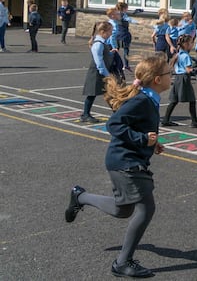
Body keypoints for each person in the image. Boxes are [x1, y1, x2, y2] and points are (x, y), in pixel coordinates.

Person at [64, 54, 171, 278]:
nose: (172, 76)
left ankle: (80, 197)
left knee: (122, 210)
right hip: (125, 162)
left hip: (128, 160)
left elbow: (138, 127)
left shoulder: (149, 98)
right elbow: (114, 124)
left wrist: (152, 143)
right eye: (169, 73)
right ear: (157, 80)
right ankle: (122, 262)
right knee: (146, 208)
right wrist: (143, 140)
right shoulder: (141, 100)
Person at [162, 34, 197, 128]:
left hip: (178, 78)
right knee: (192, 100)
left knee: (174, 100)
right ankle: (194, 121)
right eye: (191, 43)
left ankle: (166, 119)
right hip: (184, 78)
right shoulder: (186, 56)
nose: (192, 44)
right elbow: (188, 70)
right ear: (185, 44)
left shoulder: (178, 54)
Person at [81, 22, 115, 123]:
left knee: (109, 93)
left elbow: (104, 56)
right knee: (92, 94)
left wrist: (111, 53)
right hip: (97, 73)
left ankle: (117, 113)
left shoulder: (103, 42)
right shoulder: (98, 44)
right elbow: (99, 62)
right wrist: (107, 75)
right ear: (102, 32)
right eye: (110, 31)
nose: (111, 33)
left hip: (102, 72)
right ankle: (85, 114)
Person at [116, 2, 139, 71]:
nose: (127, 9)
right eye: (127, 8)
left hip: (118, 34)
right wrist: (137, 22)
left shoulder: (117, 14)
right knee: (126, 50)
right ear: (124, 8)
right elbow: (128, 19)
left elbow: (127, 17)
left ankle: (116, 63)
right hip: (124, 34)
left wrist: (135, 12)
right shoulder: (123, 15)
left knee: (117, 49)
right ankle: (125, 65)